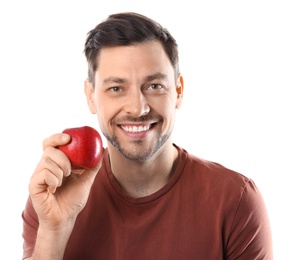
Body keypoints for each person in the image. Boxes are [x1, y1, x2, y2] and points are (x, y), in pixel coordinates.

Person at [21, 12, 273, 260]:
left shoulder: (235, 200)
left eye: (154, 86)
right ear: (91, 95)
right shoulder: (54, 194)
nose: (137, 108)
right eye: (116, 88)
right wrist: (54, 231)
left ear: (178, 90)